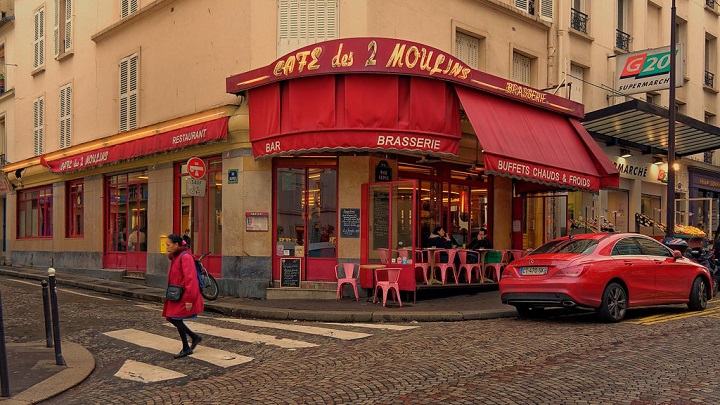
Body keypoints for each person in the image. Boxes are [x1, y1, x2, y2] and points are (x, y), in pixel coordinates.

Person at [162, 233, 204, 359]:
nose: (167, 248)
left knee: (174, 318)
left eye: (168, 245)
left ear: (176, 244)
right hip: (176, 294)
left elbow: (190, 279)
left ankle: (187, 347)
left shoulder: (185, 257)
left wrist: (189, 299)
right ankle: (194, 338)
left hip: (183, 294)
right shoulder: (176, 256)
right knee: (170, 317)